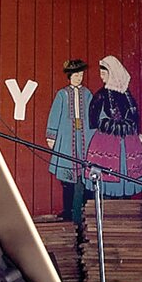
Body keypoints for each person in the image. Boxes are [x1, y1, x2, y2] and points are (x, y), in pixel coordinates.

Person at [85, 55, 142, 198]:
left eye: (104, 73)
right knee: (107, 171)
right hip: (107, 139)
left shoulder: (126, 94)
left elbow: (134, 113)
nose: (101, 77)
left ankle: (124, 199)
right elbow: (92, 117)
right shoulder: (101, 95)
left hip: (128, 138)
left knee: (126, 170)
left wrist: (137, 130)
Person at [45, 58, 94, 223]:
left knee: (86, 176)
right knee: (67, 179)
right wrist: (52, 136)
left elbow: (93, 116)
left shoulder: (87, 94)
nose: (79, 77)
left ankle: (86, 212)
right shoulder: (62, 94)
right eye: (76, 75)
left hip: (85, 138)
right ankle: (68, 212)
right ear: (69, 76)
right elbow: (54, 116)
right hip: (66, 139)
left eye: (81, 74)